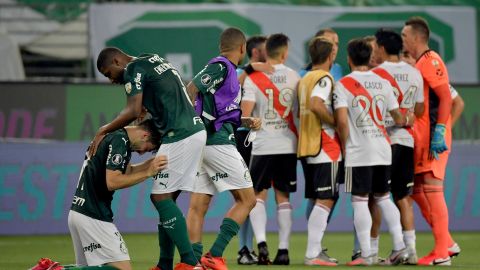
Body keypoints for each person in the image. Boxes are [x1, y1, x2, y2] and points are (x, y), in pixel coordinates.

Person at [94, 47, 206, 270]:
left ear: (117, 61)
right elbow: (163, 89)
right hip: (190, 130)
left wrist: (103, 131)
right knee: (166, 199)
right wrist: (149, 103)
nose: (111, 79)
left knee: (160, 198)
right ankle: (165, 264)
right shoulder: (151, 59)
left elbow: (132, 111)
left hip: (180, 134)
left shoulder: (133, 68)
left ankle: (191, 263)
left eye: (108, 73)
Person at [30, 120, 167, 270]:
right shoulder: (120, 141)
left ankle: (51, 268)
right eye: (147, 149)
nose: (142, 153)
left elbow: (126, 172)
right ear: (145, 135)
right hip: (93, 214)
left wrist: (151, 163)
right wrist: (148, 173)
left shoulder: (114, 135)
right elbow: (113, 181)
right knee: (122, 269)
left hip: (79, 212)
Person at [185, 27, 259, 270]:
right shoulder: (222, 66)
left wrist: (245, 121)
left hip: (204, 144)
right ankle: (214, 255)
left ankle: (193, 263)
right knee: (248, 200)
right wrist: (191, 124)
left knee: (198, 206)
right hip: (217, 142)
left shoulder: (227, 73)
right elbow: (192, 88)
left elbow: (220, 111)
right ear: (242, 48)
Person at [333, 38, 412, 266]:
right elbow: (397, 118)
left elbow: (341, 122)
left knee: (359, 201)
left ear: (349, 59)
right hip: (383, 147)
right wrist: (408, 119)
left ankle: (366, 253)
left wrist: (346, 147)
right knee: (384, 198)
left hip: (359, 150)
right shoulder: (383, 83)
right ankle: (399, 247)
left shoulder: (343, 84)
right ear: (370, 58)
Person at [402, 16, 459, 266]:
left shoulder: (431, 61)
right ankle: (446, 243)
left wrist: (440, 130)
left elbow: (446, 98)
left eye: (405, 35)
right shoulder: (420, 63)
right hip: (422, 135)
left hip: (432, 135)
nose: (403, 39)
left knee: (433, 189)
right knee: (416, 188)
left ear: (416, 37)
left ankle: (442, 253)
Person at [241, 33, 300, 266]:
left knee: (257, 195)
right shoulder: (295, 77)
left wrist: (252, 121)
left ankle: (262, 242)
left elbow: (245, 116)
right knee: (283, 197)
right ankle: (283, 251)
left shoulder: (253, 79)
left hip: (263, 145)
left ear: (267, 51)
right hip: (288, 145)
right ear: (285, 52)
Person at [372, 28, 425, 264]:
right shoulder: (414, 73)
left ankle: (372, 251)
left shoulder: (376, 74)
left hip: (383, 141)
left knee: (377, 196)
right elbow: (421, 110)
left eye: (375, 47)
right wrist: (408, 115)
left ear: (382, 48)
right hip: (406, 140)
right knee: (403, 197)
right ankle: (411, 250)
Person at [297, 37, 341, 266]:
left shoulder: (304, 79)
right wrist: (335, 122)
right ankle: (313, 253)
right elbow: (316, 104)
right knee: (326, 198)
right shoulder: (324, 78)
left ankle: (315, 251)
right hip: (326, 145)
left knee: (318, 198)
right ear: (330, 56)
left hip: (307, 144)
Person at [235, 35, 268, 265]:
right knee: (244, 196)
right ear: (255, 53)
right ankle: (243, 249)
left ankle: (246, 249)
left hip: (262, 141)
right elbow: (234, 89)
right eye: (267, 49)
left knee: (251, 197)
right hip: (243, 138)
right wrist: (249, 68)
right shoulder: (245, 75)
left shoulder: (267, 75)